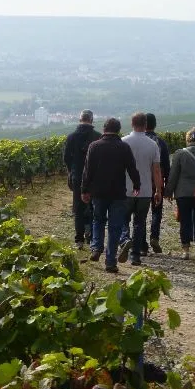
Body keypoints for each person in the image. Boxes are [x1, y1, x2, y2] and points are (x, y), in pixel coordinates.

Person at [81, 117, 141, 274]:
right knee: (115, 227)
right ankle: (110, 261)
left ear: (103, 129)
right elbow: (132, 168)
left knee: (98, 220)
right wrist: (137, 185)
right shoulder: (123, 147)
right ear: (119, 130)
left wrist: (84, 190)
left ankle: (96, 247)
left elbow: (87, 171)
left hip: (98, 193)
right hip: (118, 193)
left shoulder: (94, 146)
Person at [118, 113, 163, 265]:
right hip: (144, 191)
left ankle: (125, 239)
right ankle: (135, 255)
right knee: (140, 222)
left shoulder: (123, 142)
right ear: (145, 125)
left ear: (132, 123)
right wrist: (158, 190)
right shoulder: (152, 144)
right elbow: (157, 171)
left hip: (126, 190)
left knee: (123, 218)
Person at [63, 110, 102, 249]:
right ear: (91, 121)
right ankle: (91, 235)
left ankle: (79, 239)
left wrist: (71, 171)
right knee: (93, 206)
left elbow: (66, 158)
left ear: (80, 120)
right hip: (94, 177)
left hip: (77, 176)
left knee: (78, 208)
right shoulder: (98, 137)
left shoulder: (71, 137)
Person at [166, 128, 195, 259]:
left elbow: (173, 175)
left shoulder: (180, 154)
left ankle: (186, 250)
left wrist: (168, 191)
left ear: (187, 139)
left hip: (183, 193)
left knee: (184, 221)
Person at [145, 113, 170, 254]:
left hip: (141, 183)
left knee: (140, 214)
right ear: (154, 125)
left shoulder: (140, 141)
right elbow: (166, 165)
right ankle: (154, 236)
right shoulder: (160, 142)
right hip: (157, 183)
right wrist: (166, 183)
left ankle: (141, 243)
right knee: (156, 212)